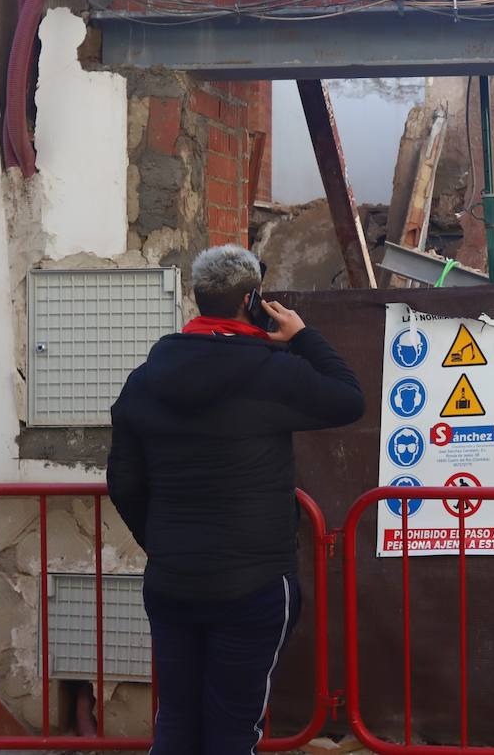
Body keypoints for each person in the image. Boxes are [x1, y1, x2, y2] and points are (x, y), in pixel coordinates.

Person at [108, 245, 364, 755]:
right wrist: (304, 336)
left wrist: (163, 542)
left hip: (173, 578)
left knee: (176, 719)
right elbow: (348, 398)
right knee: (232, 728)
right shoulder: (272, 372)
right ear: (252, 299)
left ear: (200, 302)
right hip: (254, 584)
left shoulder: (144, 381)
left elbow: (125, 484)